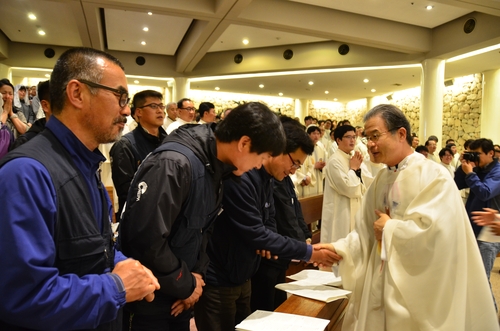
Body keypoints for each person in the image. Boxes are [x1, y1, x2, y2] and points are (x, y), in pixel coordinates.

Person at [0, 47, 160, 330]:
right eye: (120, 97)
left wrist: (129, 267)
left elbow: (91, 250)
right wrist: (117, 286)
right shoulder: (27, 173)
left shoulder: (86, 163)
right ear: (77, 94)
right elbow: (23, 296)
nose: (126, 110)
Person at [316, 104, 498, 331]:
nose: (370, 144)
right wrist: (337, 248)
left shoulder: (433, 176)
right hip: (379, 283)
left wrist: (390, 229)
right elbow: (364, 234)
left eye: (375, 136)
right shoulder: (381, 179)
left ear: (401, 134)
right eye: (368, 136)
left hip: (414, 296)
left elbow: (439, 237)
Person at [118, 102, 287, 331]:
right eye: (262, 157)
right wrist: (187, 284)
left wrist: (196, 277)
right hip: (151, 296)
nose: (259, 166)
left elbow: (204, 228)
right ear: (244, 143)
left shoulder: (216, 166)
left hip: (179, 290)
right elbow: (146, 240)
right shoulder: (175, 164)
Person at [195, 117, 340, 331]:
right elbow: (256, 231)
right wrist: (308, 252)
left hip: (244, 271)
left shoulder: (268, 177)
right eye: (294, 163)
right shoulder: (241, 176)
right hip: (220, 274)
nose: (294, 170)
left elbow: (269, 218)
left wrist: (267, 241)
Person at [454, 138, 500, 311]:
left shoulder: (497, 171)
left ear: (491, 153)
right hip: (472, 228)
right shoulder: (477, 168)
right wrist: (464, 166)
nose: (475, 157)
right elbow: (456, 184)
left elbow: (484, 192)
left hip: (490, 232)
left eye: (477, 154)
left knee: (481, 279)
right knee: (471, 277)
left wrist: (471, 174)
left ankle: (490, 321)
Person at [109, 89, 167, 217]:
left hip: (167, 213)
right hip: (139, 217)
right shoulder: (125, 146)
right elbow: (127, 192)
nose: (160, 111)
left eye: (161, 106)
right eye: (153, 106)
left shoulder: (168, 141)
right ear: (138, 112)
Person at [321, 125, 371, 246]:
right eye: (348, 137)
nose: (352, 140)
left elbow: (366, 181)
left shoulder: (353, 157)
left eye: (354, 137)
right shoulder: (334, 161)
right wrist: (354, 169)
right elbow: (348, 188)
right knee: (340, 243)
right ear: (338, 140)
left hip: (355, 209)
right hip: (340, 212)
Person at [11, 80, 51, 149]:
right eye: (21, 91)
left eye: (24, 91)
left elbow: (31, 114)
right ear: (45, 105)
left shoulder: (26, 104)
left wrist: (30, 122)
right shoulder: (25, 142)